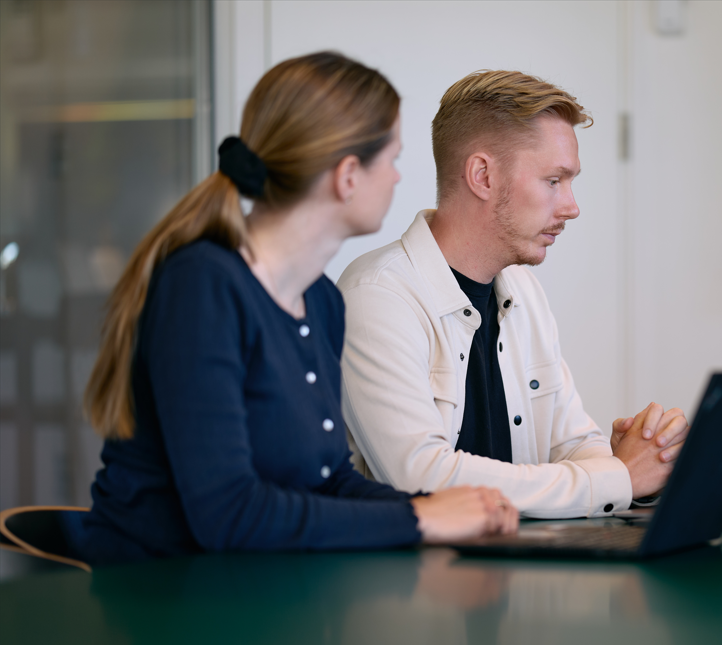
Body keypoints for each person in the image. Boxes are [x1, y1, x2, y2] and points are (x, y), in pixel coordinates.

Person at [79, 52, 517, 566]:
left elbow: (328, 481)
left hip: (247, 588)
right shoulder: (202, 286)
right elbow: (228, 514)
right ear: (348, 176)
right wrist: (420, 519)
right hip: (156, 592)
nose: (398, 178)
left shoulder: (322, 301)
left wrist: (443, 508)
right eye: (392, 160)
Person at [338, 70, 687, 518]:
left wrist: (629, 465)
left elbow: (573, 443)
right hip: (422, 564)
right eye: (554, 180)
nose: (572, 207)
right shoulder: (377, 296)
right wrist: (618, 477)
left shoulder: (523, 290)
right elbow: (423, 478)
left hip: (520, 556)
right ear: (482, 176)